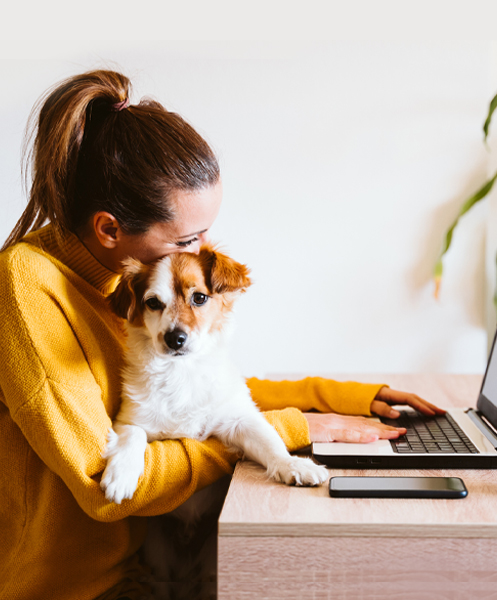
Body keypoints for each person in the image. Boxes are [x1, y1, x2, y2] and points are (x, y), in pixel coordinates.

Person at [0, 70, 444, 600]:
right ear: (110, 229)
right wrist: (280, 432)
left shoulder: (123, 277)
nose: (203, 253)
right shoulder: (28, 287)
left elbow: (197, 393)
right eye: (188, 238)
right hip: (82, 588)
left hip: (154, 563)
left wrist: (343, 398)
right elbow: (104, 484)